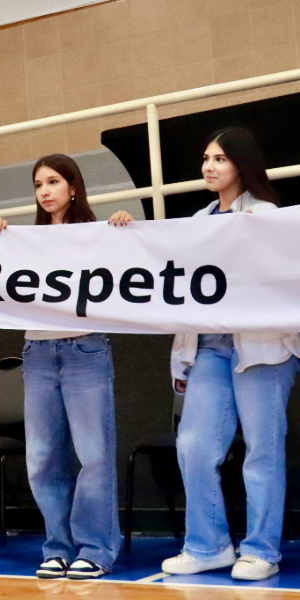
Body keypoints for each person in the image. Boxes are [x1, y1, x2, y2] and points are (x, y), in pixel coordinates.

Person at [110, 127, 300, 581]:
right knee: (194, 447)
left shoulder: (268, 216)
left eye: (220, 159)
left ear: (241, 164)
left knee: (262, 452)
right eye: (205, 158)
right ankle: (208, 545)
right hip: (210, 349)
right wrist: (125, 230)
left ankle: (261, 551)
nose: (209, 167)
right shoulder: (195, 222)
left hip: (263, 348)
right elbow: (180, 292)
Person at [0, 154, 120, 580]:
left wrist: (122, 230)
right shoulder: (24, 238)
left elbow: (127, 270)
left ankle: (96, 548)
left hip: (85, 352)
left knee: (94, 456)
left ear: (73, 187)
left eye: (54, 182)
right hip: (38, 354)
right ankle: (57, 546)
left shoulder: (97, 234)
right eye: (39, 184)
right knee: (42, 458)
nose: (45, 191)